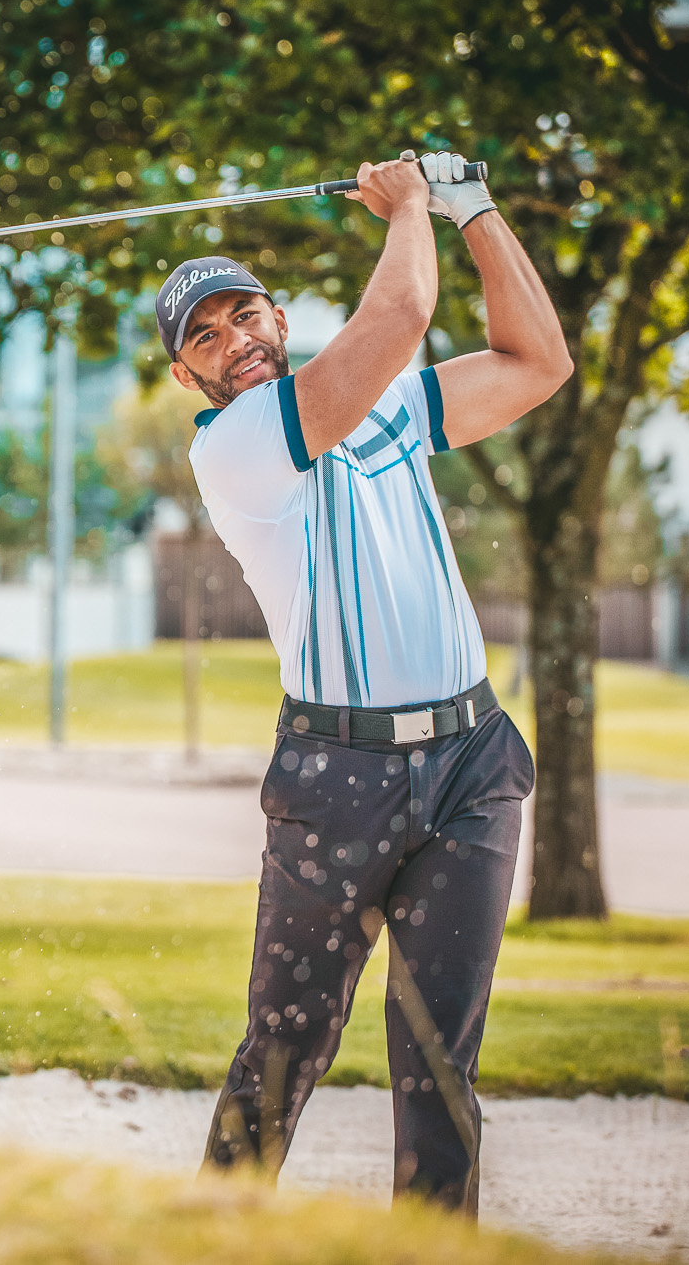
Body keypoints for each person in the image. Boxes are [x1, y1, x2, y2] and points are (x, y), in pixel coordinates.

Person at [163, 150, 571, 1215]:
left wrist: (473, 208)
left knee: (440, 1064)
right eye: (202, 337)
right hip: (336, 778)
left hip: (471, 763)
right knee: (285, 1049)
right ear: (184, 378)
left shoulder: (382, 411)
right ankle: (207, 1243)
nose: (230, 342)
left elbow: (535, 362)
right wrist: (406, 206)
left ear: (277, 321)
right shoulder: (238, 446)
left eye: (242, 315)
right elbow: (394, 315)